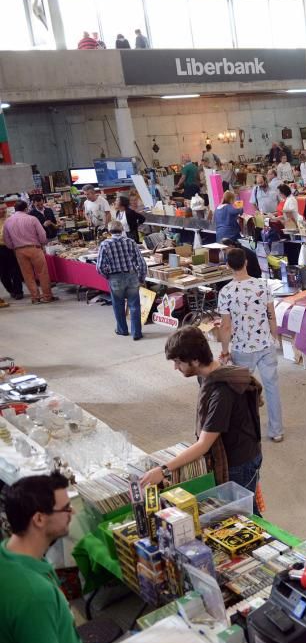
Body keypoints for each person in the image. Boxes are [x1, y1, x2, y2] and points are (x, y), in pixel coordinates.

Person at [140, 327, 265, 513]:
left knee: (247, 517)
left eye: (178, 362)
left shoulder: (222, 392)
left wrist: (164, 470)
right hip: (242, 453)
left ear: (196, 360)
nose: (175, 367)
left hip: (239, 463)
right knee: (242, 512)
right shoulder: (208, 375)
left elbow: (204, 445)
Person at [0, 471, 84, 643]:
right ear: (39, 519)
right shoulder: (36, 596)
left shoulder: (5, 551)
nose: (73, 512)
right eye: (66, 508)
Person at [218, 248, 283, 443]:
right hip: (265, 344)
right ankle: (276, 431)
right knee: (272, 388)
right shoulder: (263, 286)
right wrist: (274, 338)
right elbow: (271, 316)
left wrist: (224, 351)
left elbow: (226, 325)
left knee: (242, 392)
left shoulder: (225, 292)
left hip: (242, 348)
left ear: (228, 266)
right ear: (246, 262)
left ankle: (247, 432)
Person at [96, 219, 147, 339]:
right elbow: (141, 262)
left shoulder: (105, 244)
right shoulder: (131, 242)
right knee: (134, 305)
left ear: (109, 231)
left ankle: (122, 329)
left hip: (115, 277)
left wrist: (108, 276)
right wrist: (141, 277)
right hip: (131, 275)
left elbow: (99, 267)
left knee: (118, 305)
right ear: (122, 229)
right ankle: (136, 333)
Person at [4, 200, 55, 304]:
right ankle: (47, 296)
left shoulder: (8, 221)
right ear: (26, 208)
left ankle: (35, 298)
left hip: (19, 250)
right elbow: (42, 235)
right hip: (34, 248)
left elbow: (7, 239)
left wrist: (13, 247)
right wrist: (42, 243)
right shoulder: (32, 219)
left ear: (15, 209)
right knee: (42, 273)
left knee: (27, 275)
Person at [0, 210, 25, 303]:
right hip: (0, 248)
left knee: (15, 270)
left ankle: (19, 291)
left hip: (11, 248)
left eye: (4, 209)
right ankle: (11, 290)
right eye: (1, 209)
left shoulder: (10, 219)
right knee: (3, 273)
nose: (3, 211)